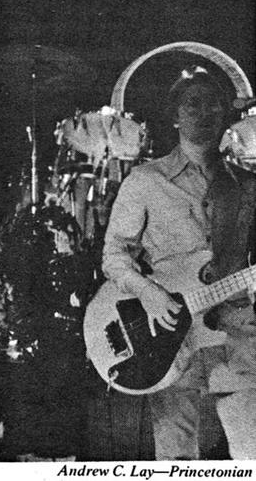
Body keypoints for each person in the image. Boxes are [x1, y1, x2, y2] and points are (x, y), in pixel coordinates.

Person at [102, 66, 256, 459]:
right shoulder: (145, 181)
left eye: (214, 104)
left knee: (251, 451)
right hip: (171, 336)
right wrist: (149, 294)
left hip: (237, 333)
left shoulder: (247, 185)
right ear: (174, 115)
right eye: (193, 103)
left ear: (226, 114)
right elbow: (115, 256)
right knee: (176, 456)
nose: (204, 112)